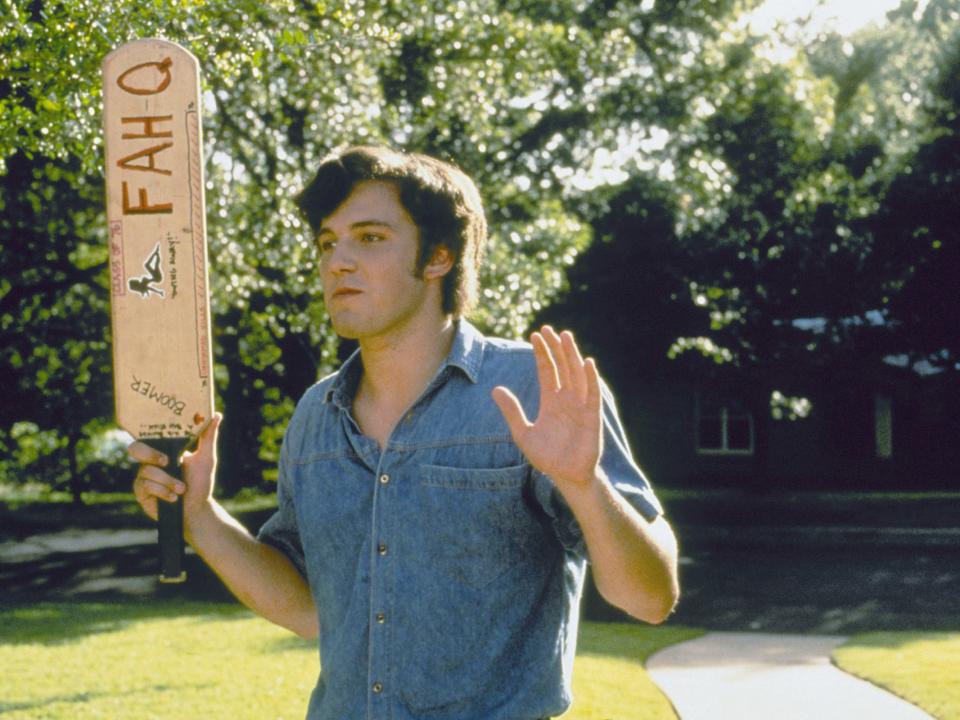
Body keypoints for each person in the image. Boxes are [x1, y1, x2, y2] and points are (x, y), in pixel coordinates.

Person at [130, 145, 679, 720]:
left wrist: (584, 484)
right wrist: (199, 516)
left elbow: (650, 597)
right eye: (326, 242)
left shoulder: (535, 391)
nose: (337, 260)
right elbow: (310, 610)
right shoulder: (316, 416)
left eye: (368, 238)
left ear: (439, 256)